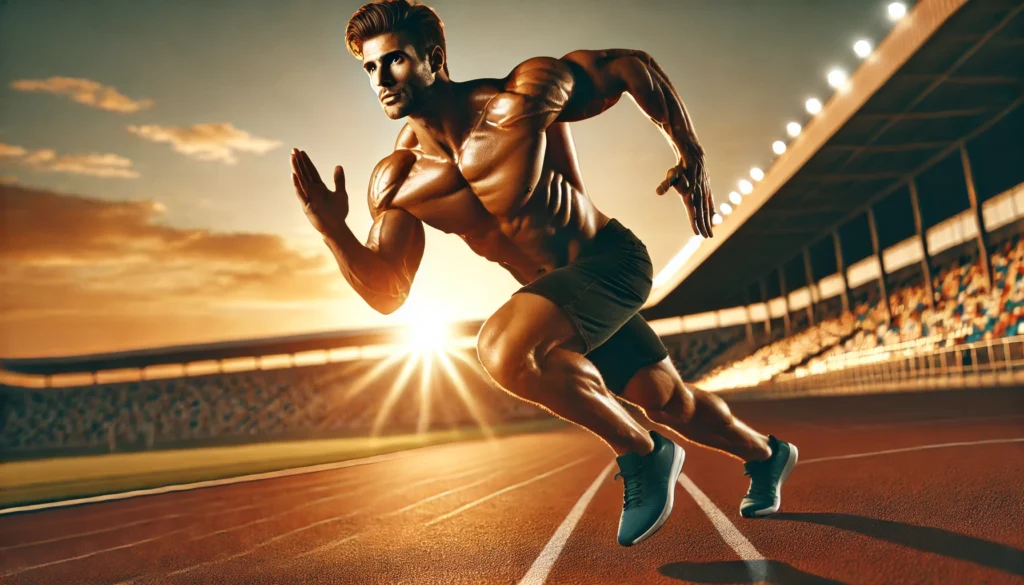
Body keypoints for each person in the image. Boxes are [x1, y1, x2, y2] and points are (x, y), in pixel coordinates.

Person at [290, 0, 798, 546]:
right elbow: (389, 292)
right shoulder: (397, 182)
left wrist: (689, 151)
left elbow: (630, 66)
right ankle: (767, 456)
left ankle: (643, 453)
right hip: (556, 298)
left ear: (433, 58)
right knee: (666, 398)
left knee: (504, 349)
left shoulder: (518, 100)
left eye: (394, 61)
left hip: (610, 261)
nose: (381, 79)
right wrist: (332, 230)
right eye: (369, 68)